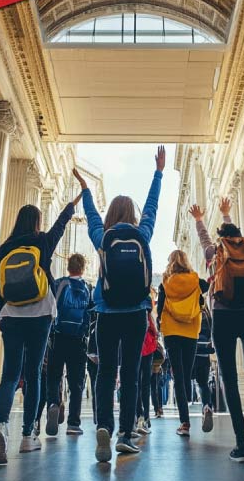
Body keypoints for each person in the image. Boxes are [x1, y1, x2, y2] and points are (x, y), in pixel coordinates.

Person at [72, 145, 165, 462]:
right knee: (129, 375)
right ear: (134, 214)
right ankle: (126, 434)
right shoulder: (142, 233)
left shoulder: (102, 236)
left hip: (106, 312)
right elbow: (152, 208)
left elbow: (92, 216)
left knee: (105, 371)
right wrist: (158, 173)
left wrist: (86, 191)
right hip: (137, 312)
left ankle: (103, 427)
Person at [0, 195, 80, 465]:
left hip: (11, 315)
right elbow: (61, 226)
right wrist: (73, 203)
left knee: (9, 374)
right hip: (40, 313)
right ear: (37, 222)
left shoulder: (4, 247)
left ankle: (1, 426)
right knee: (34, 373)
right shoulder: (41, 242)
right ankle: (28, 435)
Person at [189, 197, 244, 462]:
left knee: (229, 378)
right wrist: (227, 214)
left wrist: (199, 220)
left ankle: (242, 445)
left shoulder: (214, 252)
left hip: (224, 316)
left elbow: (204, 240)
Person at [156, 250, 209, 436]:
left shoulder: (165, 283)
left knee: (178, 376)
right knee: (187, 373)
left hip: (172, 331)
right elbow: (207, 289)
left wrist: (158, 326)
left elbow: (160, 306)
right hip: (191, 330)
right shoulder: (196, 281)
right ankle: (204, 405)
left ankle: (185, 423)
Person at [45, 253, 93, 436]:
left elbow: (50, 308)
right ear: (83, 268)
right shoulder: (88, 287)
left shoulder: (58, 284)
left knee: (54, 376)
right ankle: (73, 423)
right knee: (76, 382)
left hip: (58, 337)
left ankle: (53, 403)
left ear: (68, 266)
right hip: (78, 341)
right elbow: (91, 314)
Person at [136, 310, 159, 435]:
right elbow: (154, 330)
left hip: (136, 347)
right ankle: (146, 417)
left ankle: (139, 415)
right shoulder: (147, 309)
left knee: (136, 383)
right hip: (148, 348)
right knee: (145, 385)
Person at [194, 300, 215, 432]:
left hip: (190, 351)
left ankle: (184, 421)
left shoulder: (190, 308)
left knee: (183, 384)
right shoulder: (206, 312)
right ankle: (206, 406)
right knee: (203, 384)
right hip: (204, 353)